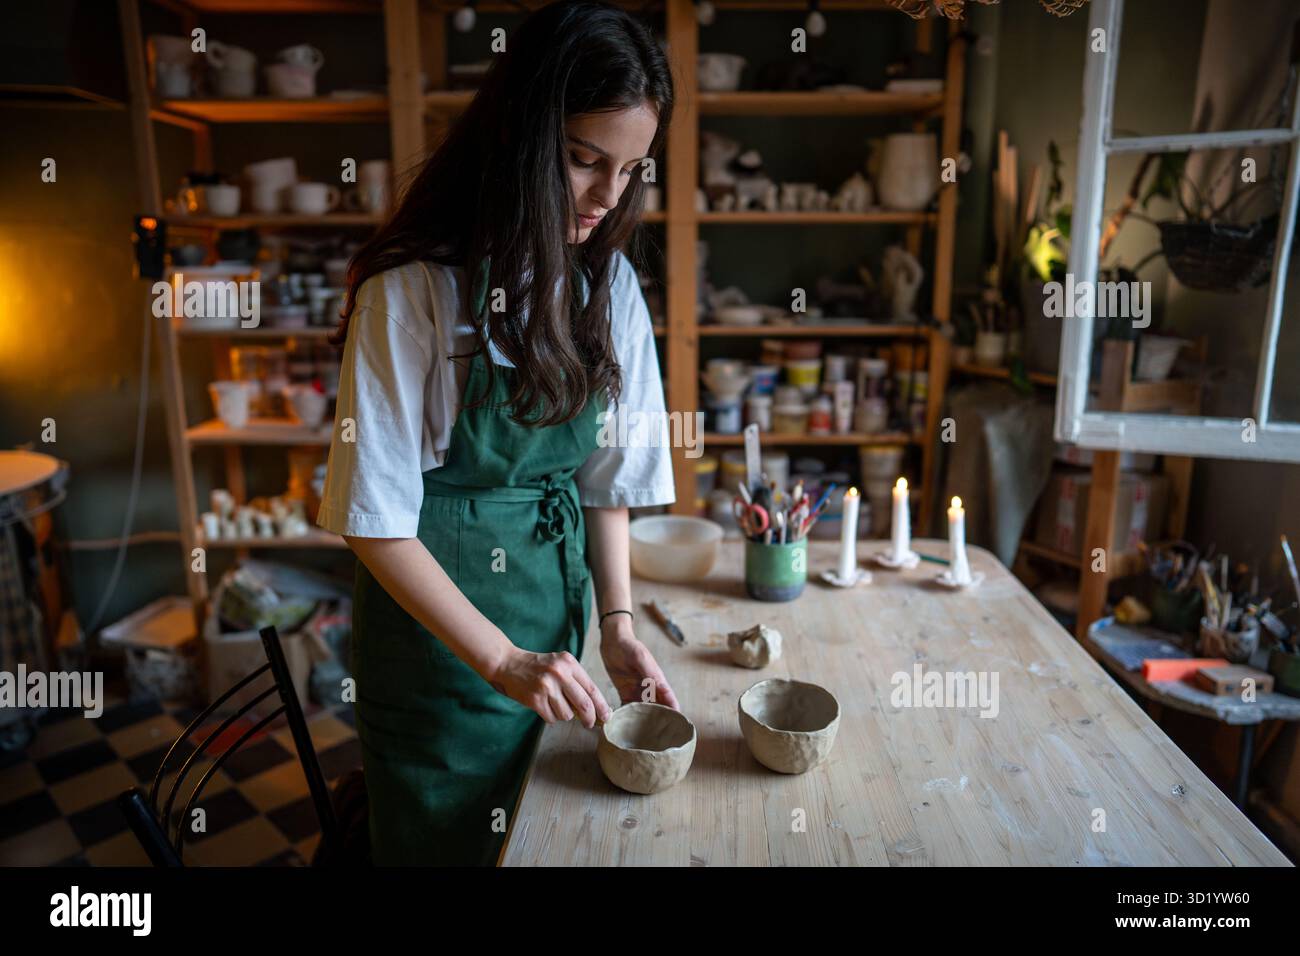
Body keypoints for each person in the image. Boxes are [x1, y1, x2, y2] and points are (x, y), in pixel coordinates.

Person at [316, 0, 679, 866]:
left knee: (548, 838)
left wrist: (619, 624)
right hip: (442, 644)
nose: (607, 196)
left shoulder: (605, 286)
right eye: (584, 160)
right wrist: (502, 660)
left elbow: (604, 481)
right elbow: (374, 520)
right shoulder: (413, 293)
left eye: (631, 170)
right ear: (520, 139)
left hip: (556, 616)